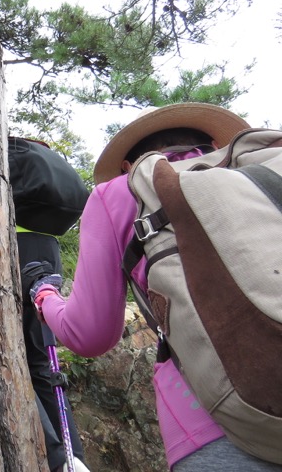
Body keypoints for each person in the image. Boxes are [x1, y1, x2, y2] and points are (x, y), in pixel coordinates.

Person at [27, 103, 282, 471]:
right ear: (215, 143)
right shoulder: (265, 167)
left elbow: (89, 335)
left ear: (129, 167)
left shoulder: (120, 192)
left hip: (221, 423)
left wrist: (44, 295)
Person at [18, 230, 89, 472]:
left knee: (12, 360)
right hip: (47, 246)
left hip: (10, 242)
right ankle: (74, 460)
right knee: (40, 365)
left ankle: (58, 459)